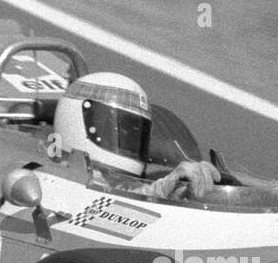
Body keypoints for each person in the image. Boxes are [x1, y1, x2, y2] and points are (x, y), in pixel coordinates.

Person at [53, 72, 219, 199]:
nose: (125, 136)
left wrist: (176, 186)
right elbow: (100, 199)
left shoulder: (120, 183)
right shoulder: (50, 178)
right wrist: (161, 189)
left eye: (135, 132)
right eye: (115, 128)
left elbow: (128, 191)